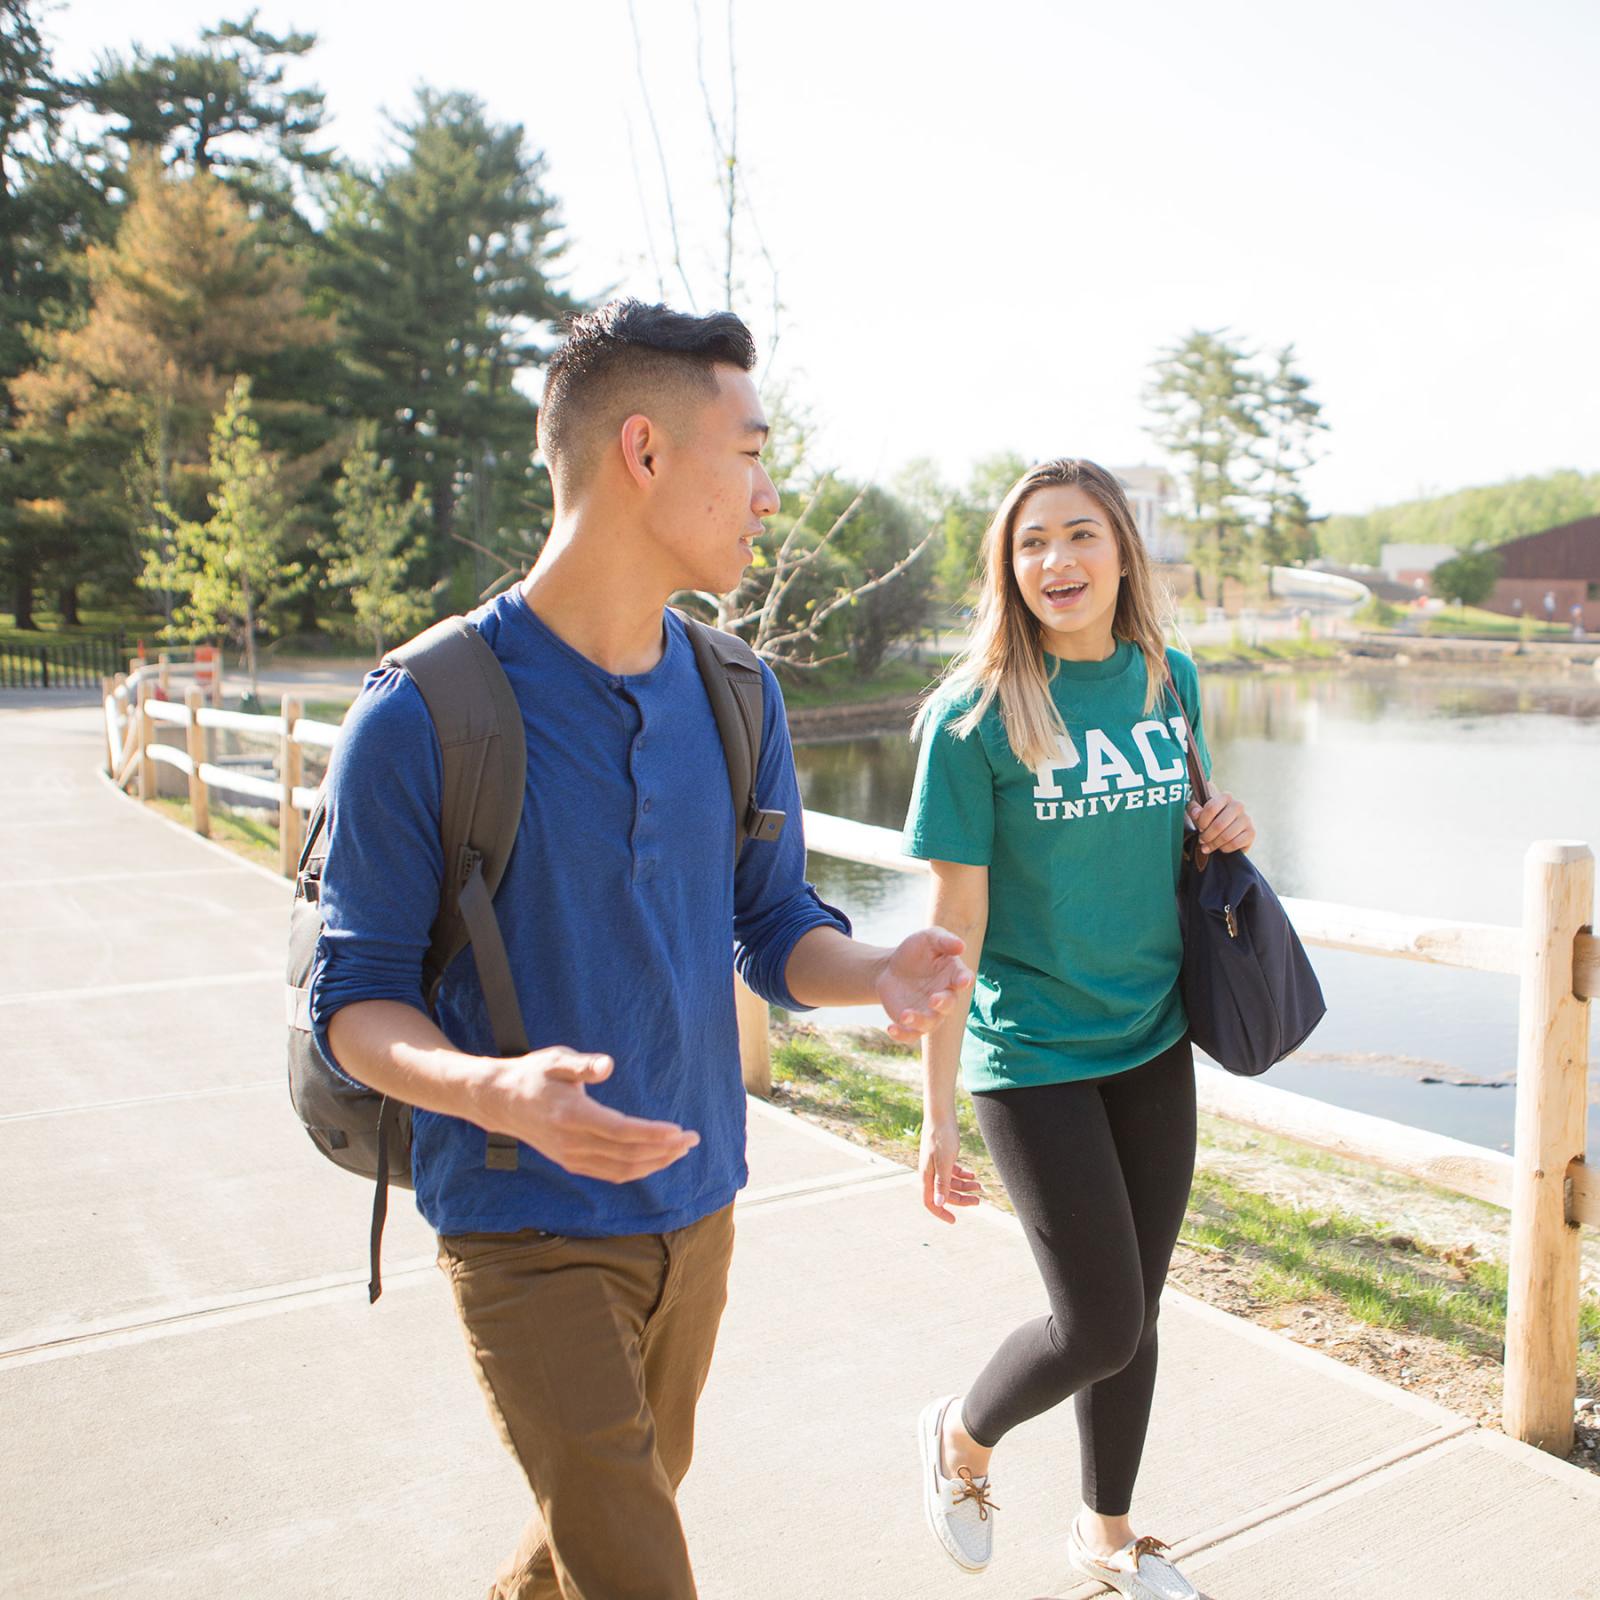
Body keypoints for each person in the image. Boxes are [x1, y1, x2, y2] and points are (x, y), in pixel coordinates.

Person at [310, 299, 972, 1600]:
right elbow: (356, 1006)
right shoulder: (423, 713)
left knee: (593, 1545)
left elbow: (775, 927)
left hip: (700, 1207)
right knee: (639, 1574)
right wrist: (495, 1090)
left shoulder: (735, 690)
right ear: (646, 453)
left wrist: (875, 973)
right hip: (524, 1226)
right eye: (751, 452)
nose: (770, 494)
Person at [903, 459, 1255, 1597]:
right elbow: (951, 930)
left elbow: (1174, 848)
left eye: (1080, 536)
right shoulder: (970, 719)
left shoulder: (1169, 678)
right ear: (1007, 569)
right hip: (1034, 1058)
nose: (1056, 562)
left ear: (1121, 553)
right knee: (1098, 1322)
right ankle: (962, 1432)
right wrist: (935, 1116)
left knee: (1135, 1309)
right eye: (1030, 544)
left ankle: (1106, 1538)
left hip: (1151, 1043)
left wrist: (1222, 830)